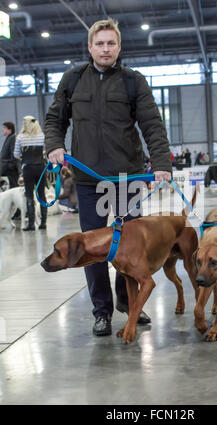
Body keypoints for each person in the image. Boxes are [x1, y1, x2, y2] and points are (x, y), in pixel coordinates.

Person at [44, 18, 172, 337]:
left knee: (130, 248)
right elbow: (55, 119)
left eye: (110, 43)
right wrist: (54, 146)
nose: (105, 48)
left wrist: (160, 162)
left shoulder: (133, 81)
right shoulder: (73, 80)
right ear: (90, 47)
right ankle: (101, 311)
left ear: (118, 46)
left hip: (128, 179)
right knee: (91, 251)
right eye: (99, 43)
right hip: (88, 181)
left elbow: (152, 124)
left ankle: (128, 304)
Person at [14, 115, 48, 231]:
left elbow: (16, 154)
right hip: (41, 167)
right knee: (42, 195)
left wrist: (24, 156)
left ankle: (31, 224)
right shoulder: (42, 136)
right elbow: (46, 150)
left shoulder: (20, 138)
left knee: (29, 196)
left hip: (28, 168)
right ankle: (43, 223)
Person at [1, 122, 19, 188]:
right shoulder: (9, 138)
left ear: (10, 130)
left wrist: (8, 166)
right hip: (7, 170)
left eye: (4, 128)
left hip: (11, 171)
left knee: (14, 188)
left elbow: (14, 155)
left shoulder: (13, 138)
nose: (2, 130)